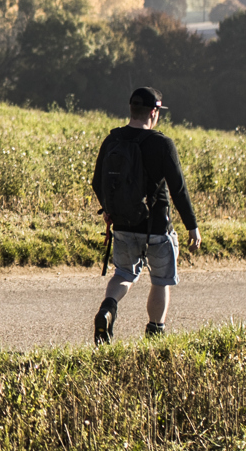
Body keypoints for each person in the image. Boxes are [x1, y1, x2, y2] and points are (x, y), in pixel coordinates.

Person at [90, 87, 200, 345]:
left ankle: (107, 309)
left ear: (132, 109)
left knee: (124, 274)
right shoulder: (162, 144)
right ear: (154, 112)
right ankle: (155, 334)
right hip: (157, 228)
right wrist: (192, 226)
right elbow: (179, 189)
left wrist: (108, 210)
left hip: (123, 224)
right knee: (161, 280)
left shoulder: (113, 139)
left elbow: (97, 181)